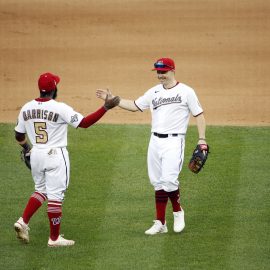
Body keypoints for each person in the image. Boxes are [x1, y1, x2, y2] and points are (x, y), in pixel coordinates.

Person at [96, 58, 207, 235]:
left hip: (174, 141)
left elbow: (199, 115)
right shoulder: (153, 92)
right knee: (157, 182)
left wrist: (202, 139)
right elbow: (134, 106)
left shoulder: (186, 92)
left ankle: (178, 211)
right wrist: (113, 100)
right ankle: (160, 223)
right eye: (158, 72)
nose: (160, 75)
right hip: (155, 141)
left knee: (169, 180)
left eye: (163, 72)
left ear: (172, 71)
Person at [14, 72, 120, 246]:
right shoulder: (59, 107)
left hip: (37, 155)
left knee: (41, 190)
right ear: (54, 89)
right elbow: (84, 123)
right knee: (55, 197)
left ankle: (23, 221)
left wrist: (27, 149)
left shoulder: (26, 107)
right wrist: (105, 107)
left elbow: (18, 135)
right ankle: (54, 239)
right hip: (55, 156)